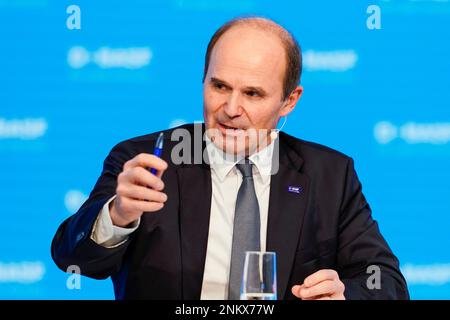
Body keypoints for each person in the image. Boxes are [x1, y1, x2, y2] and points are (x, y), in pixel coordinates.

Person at [51, 16, 409, 300]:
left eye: (253, 93)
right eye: (219, 86)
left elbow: (385, 281)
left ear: (289, 100)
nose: (231, 109)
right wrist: (118, 214)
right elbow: (74, 261)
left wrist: (344, 296)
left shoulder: (329, 174)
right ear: (203, 79)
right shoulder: (146, 159)